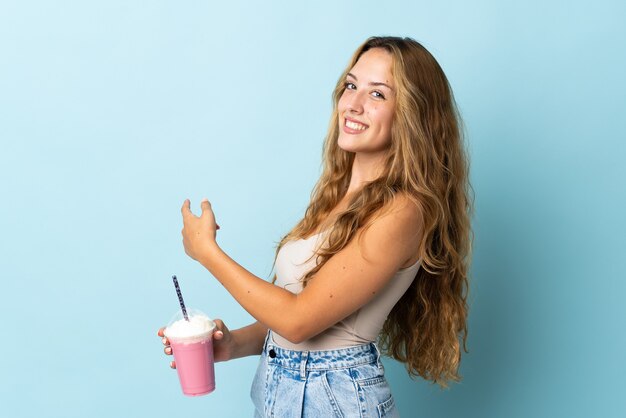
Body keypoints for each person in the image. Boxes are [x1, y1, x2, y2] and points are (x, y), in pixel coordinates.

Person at [158, 36, 472, 417]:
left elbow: (299, 320)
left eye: (378, 95)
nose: (353, 104)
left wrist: (207, 253)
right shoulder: (337, 195)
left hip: (336, 397)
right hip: (280, 388)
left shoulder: (403, 212)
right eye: (352, 86)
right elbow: (295, 313)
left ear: (412, 113)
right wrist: (232, 344)